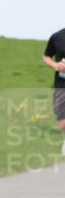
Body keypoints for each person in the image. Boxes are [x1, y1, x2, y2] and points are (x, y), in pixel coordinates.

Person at [42, 28, 65, 156]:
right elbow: (46, 57)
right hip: (62, 84)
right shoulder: (57, 37)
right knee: (62, 122)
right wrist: (55, 66)